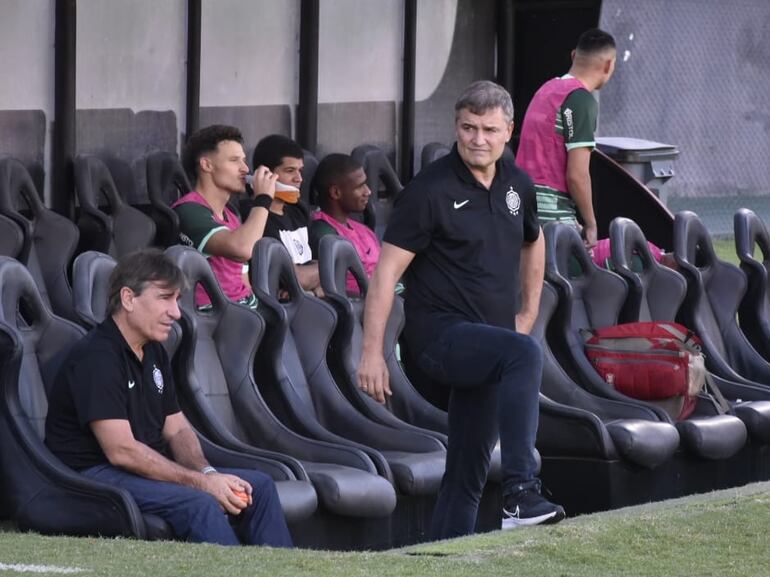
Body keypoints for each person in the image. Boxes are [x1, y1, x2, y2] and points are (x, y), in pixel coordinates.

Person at [357, 80, 565, 540]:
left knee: (466, 472)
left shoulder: (517, 185)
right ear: (456, 126)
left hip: (491, 344)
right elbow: (386, 274)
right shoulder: (427, 191)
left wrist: (527, 312)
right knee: (524, 354)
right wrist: (373, 354)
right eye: (468, 128)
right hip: (437, 340)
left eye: (489, 129)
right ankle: (520, 490)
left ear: (508, 130)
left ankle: (442, 557)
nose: (477, 139)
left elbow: (534, 241)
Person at [44, 249, 292, 547]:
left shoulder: (154, 351)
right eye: (165, 298)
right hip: (92, 477)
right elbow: (121, 451)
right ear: (128, 299)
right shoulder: (97, 357)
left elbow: (176, 429)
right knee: (199, 503)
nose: (176, 313)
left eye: (177, 300)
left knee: (259, 486)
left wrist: (208, 472)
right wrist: (202, 484)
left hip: (135, 468)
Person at [516, 28, 617, 250]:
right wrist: (591, 223)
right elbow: (577, 176)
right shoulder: (581, 100)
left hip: (521, 207)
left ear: (573, 56)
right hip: (551, 217)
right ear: (609, 65)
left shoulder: (547, 89)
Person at [172, 124, 278, 309]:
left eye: (244, 161)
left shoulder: (231, 215)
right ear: (207, 165)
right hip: (212, 313)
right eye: (234, 160)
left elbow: (242, 278)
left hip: (244, 308)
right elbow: (243, 249)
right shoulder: (189, 210)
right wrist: (263, 200)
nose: (245, 168)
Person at [251, 134, 323, 296]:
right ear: (265, 174)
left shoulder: (298, 210)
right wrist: (318, 282)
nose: (299, 179)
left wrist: (313, 289)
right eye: (290, 171)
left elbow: (331, 265)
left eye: (300, 171)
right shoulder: (256, 216)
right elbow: (296, 278)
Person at [309, 153, 379, 294]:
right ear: (336, 192)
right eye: (360, 187)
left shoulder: (364, 230)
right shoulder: (324, 234)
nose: (368, 191)